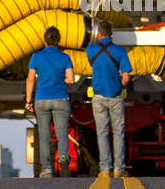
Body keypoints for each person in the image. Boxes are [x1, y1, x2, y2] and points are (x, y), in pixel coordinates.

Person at [86, 20, 133, 176]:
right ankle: (119, 169)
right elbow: (126, 77)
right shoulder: (120, 51)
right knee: (118, 133)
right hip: (116, 97)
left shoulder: (91, 50)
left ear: (98, 34)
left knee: (102, 133)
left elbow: (93, 65)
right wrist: (119, 84)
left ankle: (104, 169)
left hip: (98, 97)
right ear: (111, 34)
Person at [26, 26, 75, 177]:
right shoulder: (65, 57)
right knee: (61, 132)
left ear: (44, 40)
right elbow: (71, 79)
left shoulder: (36, 56)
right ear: (58, 40)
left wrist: (28, 101)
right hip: (60, 98)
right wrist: (60, 79)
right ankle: (63, 157)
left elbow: (30, 80)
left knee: (45, 135)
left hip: (42, 99)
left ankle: (47, 169)